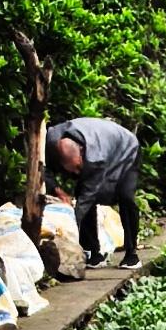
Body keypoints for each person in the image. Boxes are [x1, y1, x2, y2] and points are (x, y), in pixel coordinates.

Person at [46, 115, 144, 268]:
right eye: (72, 169)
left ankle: (132, 254)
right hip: (102, 143)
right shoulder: (50, 141)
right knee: (82, 193)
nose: (77, 172)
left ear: (82, 152)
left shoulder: (95, 158)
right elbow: (41, 169)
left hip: (127, 147)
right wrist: (57, 190)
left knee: (125, 196)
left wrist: (69, 228)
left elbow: (87, 197)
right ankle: (93, 253)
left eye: (78, 167)